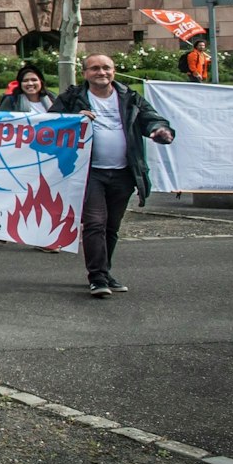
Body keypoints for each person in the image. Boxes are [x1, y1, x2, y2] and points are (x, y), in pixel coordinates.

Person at [52, 55, 175, 298]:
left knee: (111, 226)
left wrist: (159, 130)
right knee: (95, 222)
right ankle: (96, 276)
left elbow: (151, 119)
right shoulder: (72, 97)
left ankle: (105, 272)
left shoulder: (130, 97)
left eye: (106, 67)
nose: (101, 72)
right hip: (88, 172)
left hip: (124, 173)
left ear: (114, 71)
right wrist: (74, 120)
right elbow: (49, 123)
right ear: (85, 73)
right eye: (95, 68)